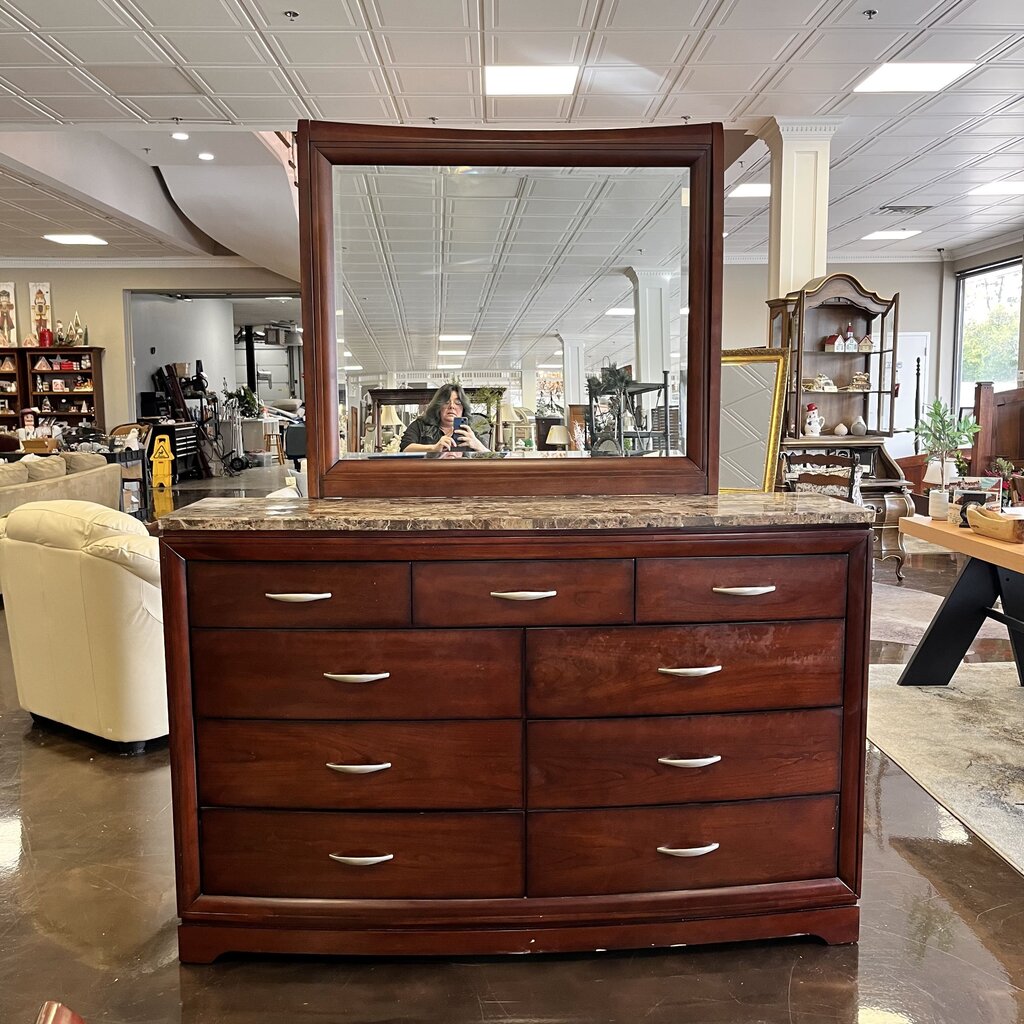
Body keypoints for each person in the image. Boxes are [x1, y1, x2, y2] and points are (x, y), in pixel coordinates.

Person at [399, 383, 489, 454]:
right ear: (438, 406)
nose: (452, 406)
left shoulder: (469, 432)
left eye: (457, 402)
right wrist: (434, 448)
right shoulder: (420, 425)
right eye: (446, 402)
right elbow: (405, 448)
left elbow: (491, 457)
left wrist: (477, 445)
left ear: (463, 408)